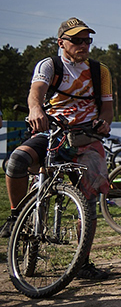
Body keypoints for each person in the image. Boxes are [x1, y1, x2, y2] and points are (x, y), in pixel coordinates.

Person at [2, 18, 113, 279]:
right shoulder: (50, 65)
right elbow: (36, 92)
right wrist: (35, 109)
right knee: (17, 161)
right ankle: (16, 215)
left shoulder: (100, 71)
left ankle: (82, 262)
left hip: (86, 137)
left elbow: (107, 108)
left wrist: (104, 123)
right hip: (52, 132)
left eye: (87, 40)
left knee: (89, 199)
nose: (84, 45)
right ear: (61, 42)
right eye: (77, 40)